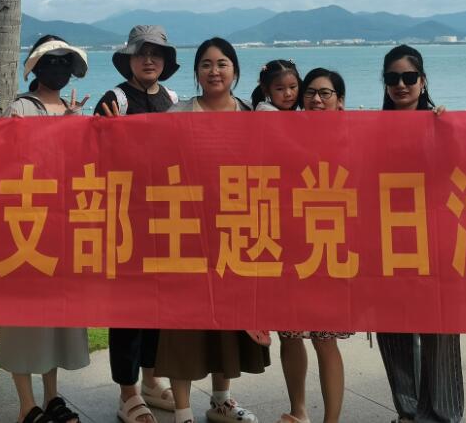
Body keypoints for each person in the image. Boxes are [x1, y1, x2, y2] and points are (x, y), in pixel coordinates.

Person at [156, 37, 266, 423]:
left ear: (235, 70)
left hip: (238, 229)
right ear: (196, 72)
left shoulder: (253, 115)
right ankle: (182, 411)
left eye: (222, 64)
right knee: (183, 321)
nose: (214, 71)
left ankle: (221, 401)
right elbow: (152, 160)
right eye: (205, 64)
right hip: (187, 230)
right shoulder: (177, 113)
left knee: (229, 319)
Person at [0, 35, 91, 423]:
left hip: (63, 224)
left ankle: (52, 396)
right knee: (23, 317)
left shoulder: (74, 109)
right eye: (51, 62)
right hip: (26, 222)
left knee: (56, 315)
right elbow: (10, 157)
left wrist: (78, 127)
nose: (59, 69)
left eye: (65, 63)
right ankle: (26, 403)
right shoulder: (19, 107)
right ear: (36, 67)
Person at [94, 26, 180, 423]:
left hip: (166, 214)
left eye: (156, 54)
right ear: (129, 59)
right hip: (126, 216)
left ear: (165, 61)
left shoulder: (173, 100)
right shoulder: (114, 99)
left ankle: (151, 379)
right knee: (128, 307)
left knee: (160, 304)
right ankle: (127, 391)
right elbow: (92, 154)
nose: (149, 60)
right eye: (141, 53)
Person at [377, 46, 462, 423]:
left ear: (423, 80)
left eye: (409, 77)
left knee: (439, 327)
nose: (401, 84)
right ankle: (408, 410)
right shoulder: (372, 129)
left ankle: (443, 413)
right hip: (386, 237)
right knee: (393, 327)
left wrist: (452, 129)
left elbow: (465, 166)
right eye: (392, 78)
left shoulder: (442, 123)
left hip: (435, 237)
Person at [274, 68, 352, 423]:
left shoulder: (354, 134)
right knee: (289, 334)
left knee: (325, 338)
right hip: (290, 245)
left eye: (325, 93)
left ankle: (331, 420)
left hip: (331, 246)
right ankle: (298, 412)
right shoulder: (285, 132)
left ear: (340, 100)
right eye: (310, 93)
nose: (317, 99)